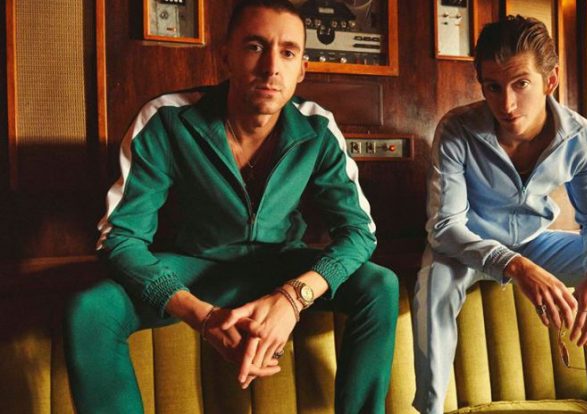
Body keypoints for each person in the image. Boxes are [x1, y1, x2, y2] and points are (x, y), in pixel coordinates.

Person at [64, 1, 399, 413]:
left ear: (302, 69)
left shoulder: (317, 126)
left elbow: (359, 233)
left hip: (282, 265)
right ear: (226, 55)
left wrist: (294, 297)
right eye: (255, 47)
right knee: (91, 310)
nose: (271, 67)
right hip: (197, 268)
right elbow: (120, 238)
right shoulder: (167, 117)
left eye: (288, 52)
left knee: (379, 285)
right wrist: (201, 316)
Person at [412, 15, 587, 414]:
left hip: (535, 241)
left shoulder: (581, 138)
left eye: (520, 84)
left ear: (550, 80)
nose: (506, 104)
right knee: (434, 285)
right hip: (467, 248)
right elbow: (444, 228)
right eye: (493, 87)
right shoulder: (457, 129)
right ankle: (430, 409)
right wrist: (515, 266)